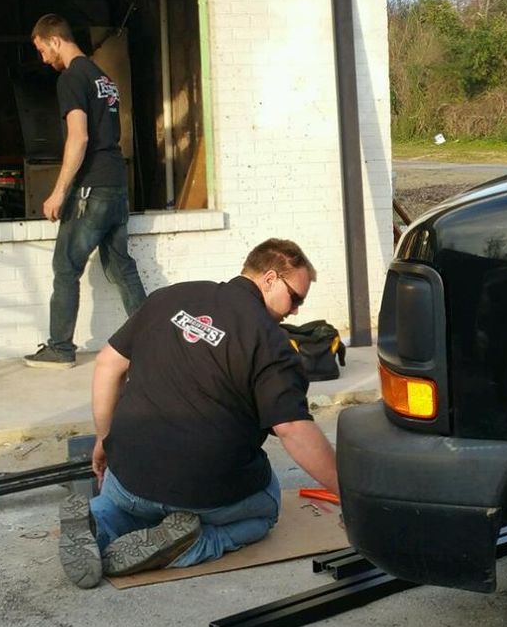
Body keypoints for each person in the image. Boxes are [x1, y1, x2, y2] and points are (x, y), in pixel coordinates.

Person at [58, 238, 340, 588]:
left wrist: (104, 437)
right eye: (295, 298)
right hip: (206, 490)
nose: (295, 311)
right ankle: (190, 545)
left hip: (130, 474)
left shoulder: (168, 298)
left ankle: (98, 525)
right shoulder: (271, 343)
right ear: (269, 278)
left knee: (123, 504)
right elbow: (293, 429)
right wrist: (349, 491)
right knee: (267, 508)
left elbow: (106, 365)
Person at [24, 13, 146, 370]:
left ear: (55, 39)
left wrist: (59, 192)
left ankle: (60, 348)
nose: (43, 58)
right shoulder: (103, 78)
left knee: (65, 266)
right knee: (121, 267)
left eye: (42, 49)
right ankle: (150, 341)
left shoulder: (72, 78)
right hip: (116, 183)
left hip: (91, 187)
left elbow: (79, 136)